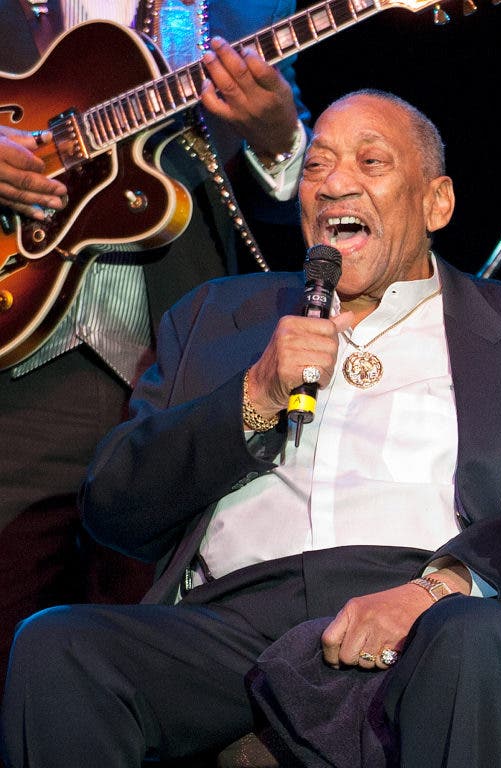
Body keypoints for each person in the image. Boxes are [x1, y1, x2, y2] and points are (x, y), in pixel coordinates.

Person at [3, 88, 501, 768]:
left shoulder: (500, 325)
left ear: (436, 203)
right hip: (230, 625)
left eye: (370, 162)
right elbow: (115, 508)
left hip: (417, 612)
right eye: (317, 164)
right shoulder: (215, 315)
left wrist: (439, 587)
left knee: (474, 638)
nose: (334, 184)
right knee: (57, 644)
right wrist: (254, 394)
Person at [0, 0, 309, 705]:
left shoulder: (250, 9)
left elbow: (299, 183)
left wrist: (279, 138)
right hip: (16, 376)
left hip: (178, 376)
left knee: (150, 665)